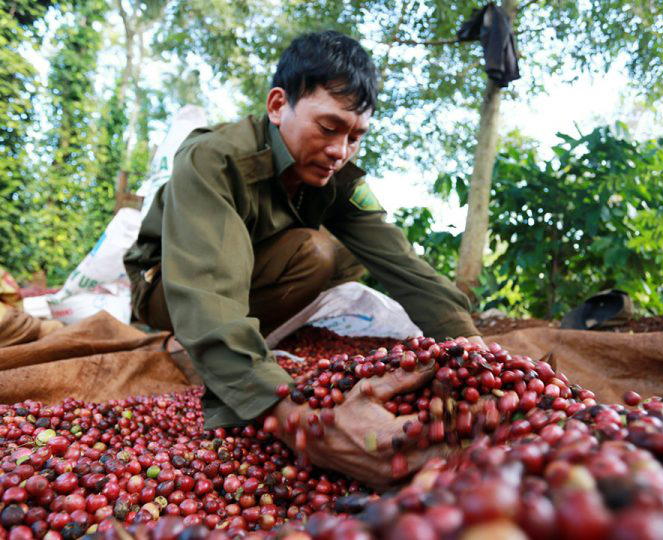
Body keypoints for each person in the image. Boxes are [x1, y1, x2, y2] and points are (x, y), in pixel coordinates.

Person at [124, 31, 485, 488]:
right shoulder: (212, 158)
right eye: (329, 127)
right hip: (170, 285)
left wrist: (471, 349)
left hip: (251, 277)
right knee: (312, 253)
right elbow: (207, 285)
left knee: (338, 255)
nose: (340, 151)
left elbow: (401, 260)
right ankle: (217, 351)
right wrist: (294, 419)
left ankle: (239, 347)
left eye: (355, 137)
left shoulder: (341, 179)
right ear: (278, 106)